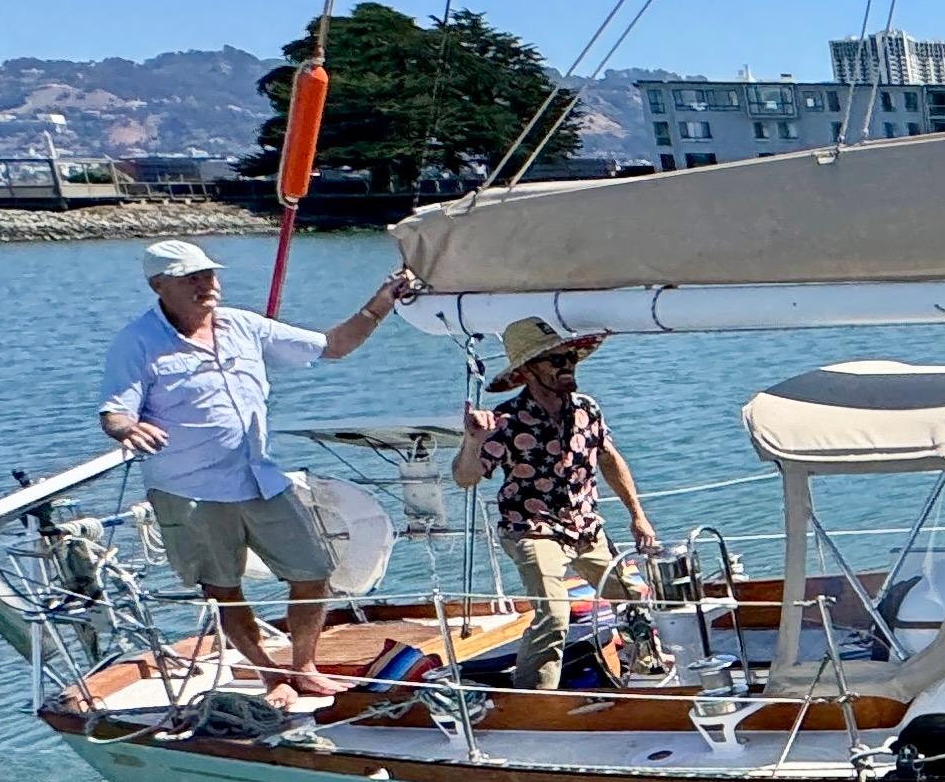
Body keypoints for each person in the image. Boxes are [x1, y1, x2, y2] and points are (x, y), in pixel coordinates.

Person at [99, 240, 418, 697]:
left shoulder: (244, 326)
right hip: (191, 489)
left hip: (258, 477)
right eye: (191, 277)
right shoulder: (137, 343)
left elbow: (334, 346)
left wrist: (382, 300)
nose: (206, 283)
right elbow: (114, 411)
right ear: (158, 286)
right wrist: (127, 428)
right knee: (223, 589)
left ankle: (304, 666)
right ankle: (269, 672)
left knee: (313, 569)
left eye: (208, 274)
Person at [452, 316, 663, 691]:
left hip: (585, 526)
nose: (567, 366)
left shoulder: (586, 409)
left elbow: (609, 459)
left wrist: (637, 516)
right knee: (553, 615)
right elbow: (465, 478)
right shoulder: (505, 422)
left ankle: (647, 669)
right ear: (528, 371)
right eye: (556, 360)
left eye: (570, 358)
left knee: (634, 596)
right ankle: (535, 700)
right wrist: (472, 441)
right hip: (533, 531)